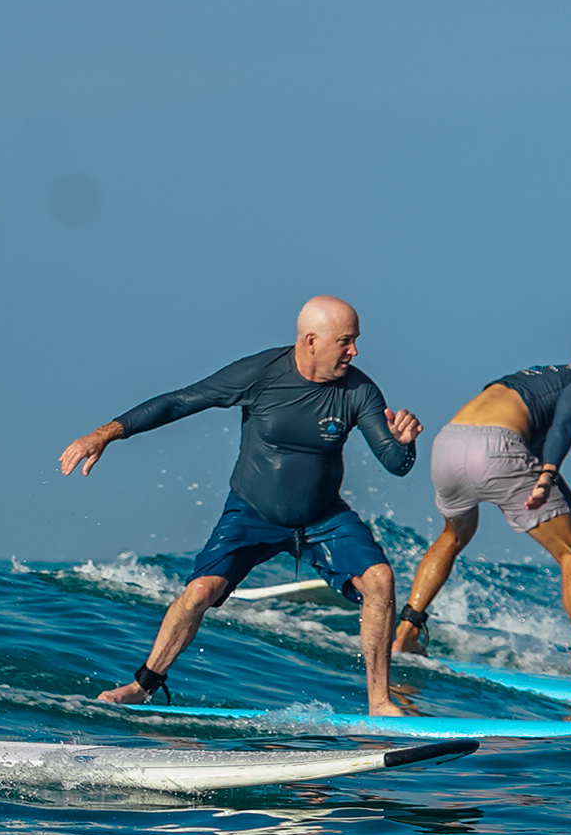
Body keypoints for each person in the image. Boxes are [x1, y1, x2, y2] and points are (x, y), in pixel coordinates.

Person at [59, 297, 423, 717]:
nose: (354, 351)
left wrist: (405, 443)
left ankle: (379, 701)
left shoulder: (358, 390)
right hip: (251, 512)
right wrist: (105, 434)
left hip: (323, 517)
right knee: (199, 592)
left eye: (355, 341)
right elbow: (181, 400)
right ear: (310, 341)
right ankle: (142, 686)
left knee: (379, 578)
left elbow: (396, 465)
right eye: (345, 341)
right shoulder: (260, 374)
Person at [393, 314, 571, 690]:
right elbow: (561, 429)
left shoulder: (542, 378)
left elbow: (537, 452)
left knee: (455, 534)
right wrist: (545, 477)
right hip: (496, 447)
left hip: (449, 444)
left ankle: (405, 633)